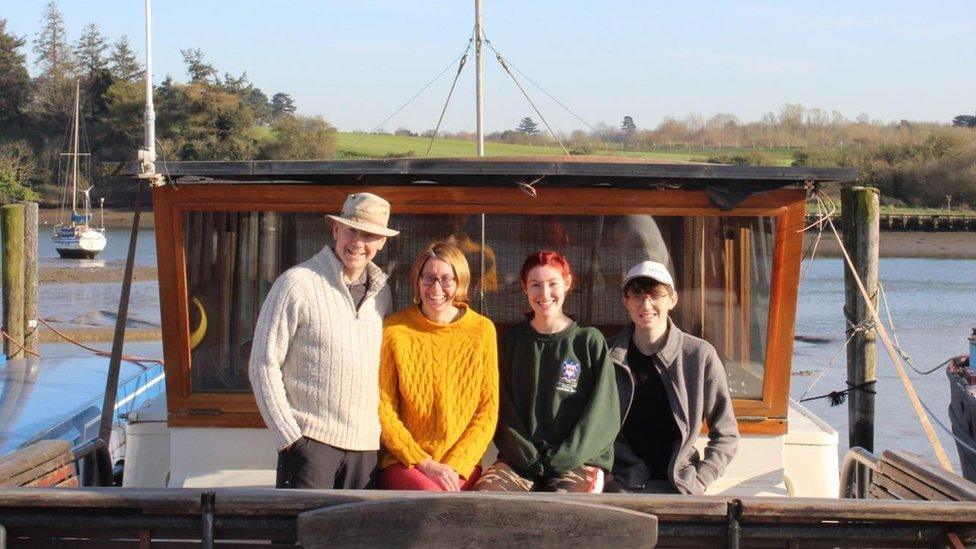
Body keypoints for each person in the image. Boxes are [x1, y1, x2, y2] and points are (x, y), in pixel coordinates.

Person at [248, 192, 399, 489]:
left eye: (369, 235)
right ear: (335, 230)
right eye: (351, 230)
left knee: (354, 538)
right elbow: (262, 364)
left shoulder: (383, 294)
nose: (357, 242)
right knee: (301, 536)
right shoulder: (296, 283)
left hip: (366, 450)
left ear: (381, 243)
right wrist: (290, 438)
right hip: (310, 447)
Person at [475, 250, 619, 492]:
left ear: (567, 284)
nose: (544, 294)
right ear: (524, 288)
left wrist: (562, 458)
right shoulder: (513, 341)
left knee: (560, 509)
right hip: (521, 463)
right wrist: (527, 456)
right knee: (486, 501)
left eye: (553, 284)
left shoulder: (588, 341)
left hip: (576, 462)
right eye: (535, 285)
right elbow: (500, 408)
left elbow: (603, 415)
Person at [605, 260, 739, 495]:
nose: (646, 304)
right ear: (625, 301)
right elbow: (592, 428)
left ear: (673, 300)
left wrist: (701, 478)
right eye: (636, 295)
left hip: (682, 486)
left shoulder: (700, 355)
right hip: (622, 483)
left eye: (656, 295)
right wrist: (606, 477)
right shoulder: (607, 355)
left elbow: (726, 432)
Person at [377, 241, 499, 491]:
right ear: (417, 281)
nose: (436, 288)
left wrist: (454, 466)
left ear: (460, 281)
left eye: (446, 279)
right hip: (407, 462)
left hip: (461, 464)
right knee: (434, 501)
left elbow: (487, 410)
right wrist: (425, 463)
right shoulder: (395, 330)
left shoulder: (481, 331)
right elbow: (384, 407)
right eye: (428, 278)